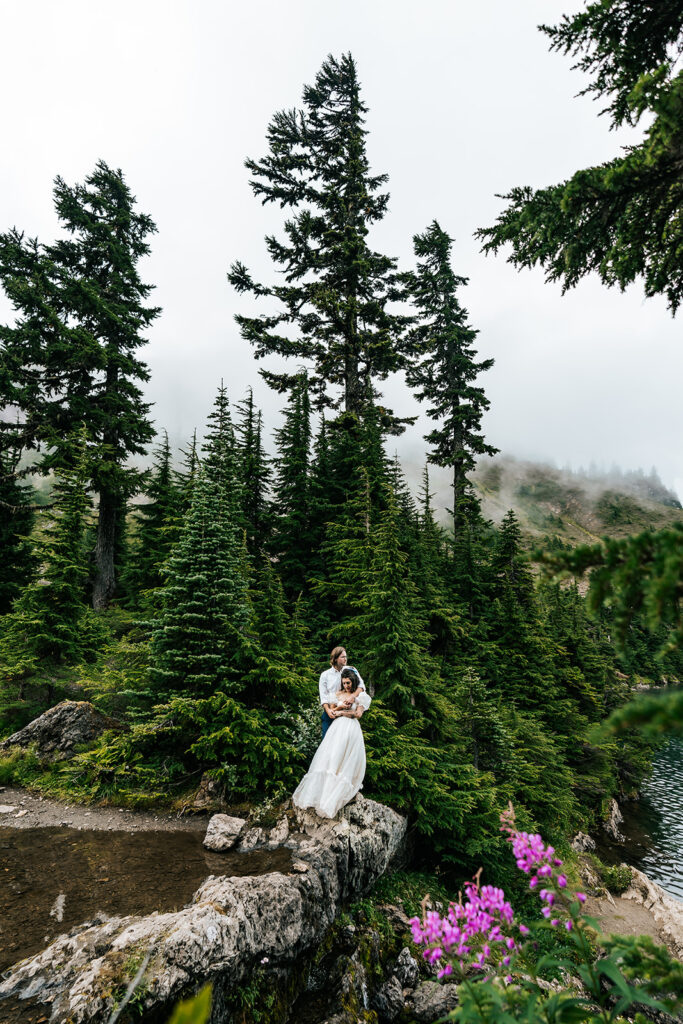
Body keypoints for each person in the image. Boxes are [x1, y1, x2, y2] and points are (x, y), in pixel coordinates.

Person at [293, 667, 371, 818]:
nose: (346, 686)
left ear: (353, 681)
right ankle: (321, 795)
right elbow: (332, 712)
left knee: (346, 760)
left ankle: (336, 797)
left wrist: (342, 712)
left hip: (352, 730)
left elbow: (358, 714)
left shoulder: (361, 696)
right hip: (337, 729)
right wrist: (340, 708)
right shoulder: (339, 694)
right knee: (331, 758)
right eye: (344, 683)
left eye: (348, 683)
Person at [319, 646, 365, 738]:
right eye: (343, 657)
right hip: (331, 712)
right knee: (327, 742)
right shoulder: (325, 675)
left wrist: (352, 697)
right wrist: (328, 711)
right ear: (335, 659)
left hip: (346, 713)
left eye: (346, 656)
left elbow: (362, 686)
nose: (345, 659)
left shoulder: (351, 670)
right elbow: (323, 696)